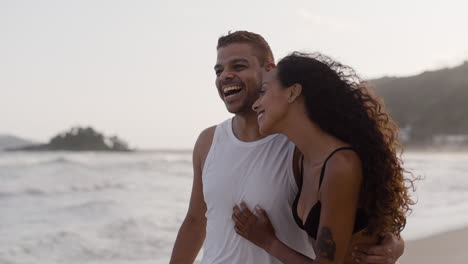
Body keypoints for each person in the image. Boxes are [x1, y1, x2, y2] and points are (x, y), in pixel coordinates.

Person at [170, 31, 405, 264]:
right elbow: (194, 220)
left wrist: (392, 241)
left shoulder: (299, 146)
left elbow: (358, 205)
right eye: (219, 71)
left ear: (268, 70)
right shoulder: (208, 141)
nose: (225, 76)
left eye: (238, 66)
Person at [231, 52, 414, 264]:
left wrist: (268, 242)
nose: (256, 104)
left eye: (263, 92)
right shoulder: (303, 158)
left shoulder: (341, 164)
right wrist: (397, 241)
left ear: (293, 92)